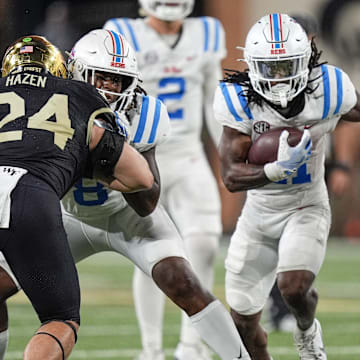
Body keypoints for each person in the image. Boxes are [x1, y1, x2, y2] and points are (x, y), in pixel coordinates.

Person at [0, 29, 251, 360]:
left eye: (118, 81)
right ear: (75, 73)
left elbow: (148, 201)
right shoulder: (57, 107)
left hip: (125, 215)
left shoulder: (143, 114)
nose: (109, 89)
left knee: (182, 281)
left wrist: (112, 149)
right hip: (65, 216)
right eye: (100, 78)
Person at [213, 13, 360, 360]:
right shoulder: (239, 99)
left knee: (293, 288)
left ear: (306, 59)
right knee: (243, 320)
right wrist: (276, 170)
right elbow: (231, 177)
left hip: (306, 205)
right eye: (269, 67)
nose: (279, 77)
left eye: (286, 66)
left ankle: (308, 332)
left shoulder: (329, 87)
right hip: (258, 215)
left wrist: (340, 164)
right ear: (251, 66)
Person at [0, 35, 154, 360]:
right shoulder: (78, 95)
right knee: (60, 318)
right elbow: (142, 177)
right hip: (29, 194)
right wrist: (80, 164)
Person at [103, 1, 226, 359]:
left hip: (188, 153)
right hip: (140, 153)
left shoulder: (206, 32)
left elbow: (212, 100)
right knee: (151, 249)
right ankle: (151, 349)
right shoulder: (123, 32)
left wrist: (228, 154)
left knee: (203, 241)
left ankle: (191, 345)